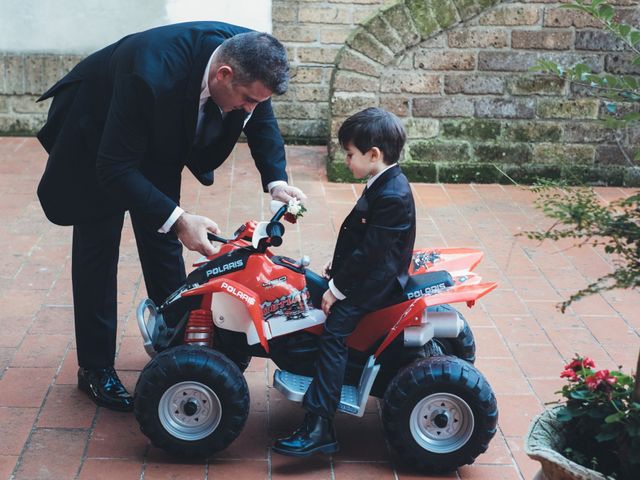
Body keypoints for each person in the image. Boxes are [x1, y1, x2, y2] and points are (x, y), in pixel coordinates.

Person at [36, 22, 306, 412]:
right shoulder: (149, 71)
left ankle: (177, 347)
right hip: (96, 129)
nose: (249, 108)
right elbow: (113, 166)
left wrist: (276, 181)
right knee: (99, 247)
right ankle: (94, 369)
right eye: (246, 98)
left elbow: (259, 117)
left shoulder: (250, 54)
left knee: (163, 235)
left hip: (157, 126)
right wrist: (180, 218)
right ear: (223, 75)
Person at [273, 108, 416, 457]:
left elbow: (371, 254)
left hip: (378, 284)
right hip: (370, 271)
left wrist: (338, 289)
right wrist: (336, 266)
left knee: (335, 329)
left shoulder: (392, 195)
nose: (346, 160)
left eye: (350, 154)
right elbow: (364, 243)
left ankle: (320, 424)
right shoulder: (382, 183)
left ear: (373, 155)